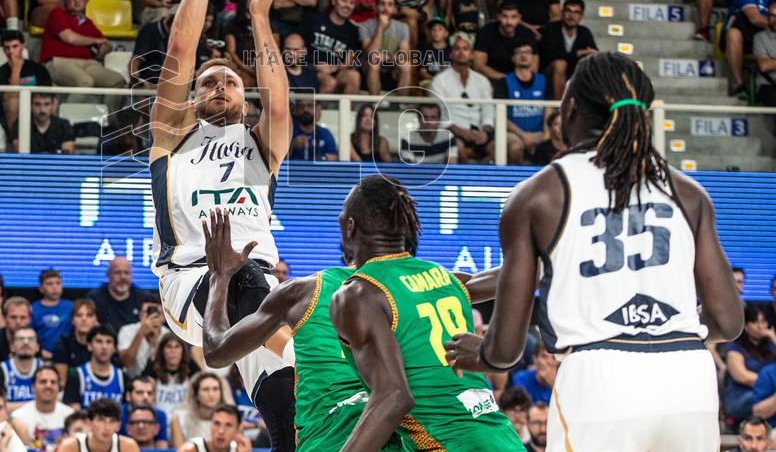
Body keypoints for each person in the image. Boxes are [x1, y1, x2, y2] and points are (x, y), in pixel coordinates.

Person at [444, 52, 744, 450]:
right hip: (689, 379)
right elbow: (727, 320)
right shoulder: (689, 193)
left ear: (570, 109)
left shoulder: (538, 195)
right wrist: (665, 329)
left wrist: (480, 353)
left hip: (600, 380)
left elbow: (505, 349)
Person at [149, 0, 294, 450]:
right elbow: (179, 52)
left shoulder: (261, 145)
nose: (219, 87)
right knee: (254, 291)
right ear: (192, 97)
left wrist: (261, 16)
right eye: (208, 82)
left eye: (231, 81)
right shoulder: (170, 136)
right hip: (190, 282)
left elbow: (278, 101)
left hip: (260, 286)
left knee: (289, 397)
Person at [316, 175, 522, 451]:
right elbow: (509, 276)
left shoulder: (357, 293)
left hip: (449, 444)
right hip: (502, 438)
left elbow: (394, 396)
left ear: (350, 226)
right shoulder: (444, 278)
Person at [38, 0, 124, 92]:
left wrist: (104, 47)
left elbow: (106, 44)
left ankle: (109, 110)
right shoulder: (57, 13)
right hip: (59, 62)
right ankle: (69, 110)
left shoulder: (88, 22)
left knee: (117, 81)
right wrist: (96, 41)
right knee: (85, 82)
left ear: (86, 0)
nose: (77, 0)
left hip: (88, 63)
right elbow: (70, 38)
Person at [429, 32, 495, 163]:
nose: (461, 52)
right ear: (451, 54)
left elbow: (488, 109)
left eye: (465, 49)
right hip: (454, 131)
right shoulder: (439, 80)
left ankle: (486, 178)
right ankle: (468, 178)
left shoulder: (482, 80)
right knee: (456, 147)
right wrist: (462, 132)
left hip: (480, 131)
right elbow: (439, 113)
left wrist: (485, 131)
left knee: (499, 148)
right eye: (457, 49)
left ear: (471, 54)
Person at [299, 0, 363, 94]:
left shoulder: (353, 30)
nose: (347, 5)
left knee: (354, 76)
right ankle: (316, 111)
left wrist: (333, 68)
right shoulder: (314, 19)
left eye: (351, 2)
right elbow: (296, 44)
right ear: (334, 1)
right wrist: (314, 66)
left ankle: (347, 111)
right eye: (344, 0)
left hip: (335, 71)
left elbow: (349, 61)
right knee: (329, 82)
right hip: (309, 68)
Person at [727, 0, 776, 96]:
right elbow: (754, 18)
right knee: (733, 34)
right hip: (745, 35)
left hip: (766, 37)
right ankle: (739, 84)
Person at [494, 41, 547, 164]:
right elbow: (500, 115)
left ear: (533, 57)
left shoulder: (543, 80)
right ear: (513, 58)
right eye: (519, 52)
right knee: (515, 148)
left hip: (539, 131)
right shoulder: (503, 82)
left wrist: (546, 133)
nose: (523, 56)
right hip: (513, 133)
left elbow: (549, 110)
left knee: (551, 145)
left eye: (527, 52)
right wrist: (523, 135)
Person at [539, 0, 598, 100]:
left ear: (581, 16)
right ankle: (559, 107)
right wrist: (577, 53)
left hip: (573, 72)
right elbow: (550, 55)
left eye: (576, 12)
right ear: (562, 13)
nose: (571, 16)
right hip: (548, 71)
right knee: (560, 64)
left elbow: (591, 52)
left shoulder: (584, 32)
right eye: (568, 11)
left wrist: (593, 53)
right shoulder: (551, 28)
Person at [725, 304, 776, 422]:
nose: (761, 327)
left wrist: (773, 337)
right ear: (746, 326)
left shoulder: (770, 345)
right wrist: (768, 383)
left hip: (766, 392)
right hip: (742, 396)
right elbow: (742, 377)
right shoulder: (735, 348)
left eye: (763, 322)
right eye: (755, 322)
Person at [0, 31, 52, 128]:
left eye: (15, 46)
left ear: (23, 46)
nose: (11, 51)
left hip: (37, 104)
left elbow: (47, 93)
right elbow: (9, 97)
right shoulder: (0, 72)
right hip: (12, 110)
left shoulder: (37, 68)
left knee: (52, 103)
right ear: (3, 50)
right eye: (7, 48)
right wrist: (16, 70)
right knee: (12, 103)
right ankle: (14, 138)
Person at [10, 365, 74, 452]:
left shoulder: (71, 416)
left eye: (53, 382)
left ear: (59, 387)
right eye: (43, 382)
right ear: (33, 387)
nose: (48, 386)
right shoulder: (18, 417)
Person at [64, 326, 124, 409]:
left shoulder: (122, 378)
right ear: (89, 346)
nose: (104, 347)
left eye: (109, 342)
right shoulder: (76, 376)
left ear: (114, 348)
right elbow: (74, 415)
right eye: (99, 341)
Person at [54, 398, 140, 452]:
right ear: (89, 423)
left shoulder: (128, 447)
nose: (107, 427)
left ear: (118, 425)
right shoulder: (70, 446)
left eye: (112, 421)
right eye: (101, 420)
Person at [0, 327, 41, 409]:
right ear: (12, 346)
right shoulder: (1, 370)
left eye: (31, 339)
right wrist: (35, 406)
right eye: (20, 339)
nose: (25, 342)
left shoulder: (45, 370)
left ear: (37, 347)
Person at [144, 332, 196, 416]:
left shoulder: (192, 368)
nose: (173, 351)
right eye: (169, 347)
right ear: (162, 351)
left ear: (183, 351)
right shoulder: (152, 369)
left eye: (177, 347)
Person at [0, 297, 34, 377]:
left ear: (29, 319)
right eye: (13, 317)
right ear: (5, 318)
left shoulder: (33, 338)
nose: (18, 322)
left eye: (23, 317)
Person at [116, 297, 167, 379]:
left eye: (157, 313)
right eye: (148, 312)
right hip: (132, 380)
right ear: (140, 315)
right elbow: (125, 363)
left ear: (164, 317)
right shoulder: (127, 331)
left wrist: (155, 342)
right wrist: (140, 333)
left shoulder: (167, 335)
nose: (152, 317)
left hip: (159, 382)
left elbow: (170, 366)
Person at [52, 299, 97, 385]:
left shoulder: (103, 343)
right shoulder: (63, 343)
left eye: (89, 315)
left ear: (95, 320)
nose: (84, 319)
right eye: (79, 315)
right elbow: (62, 382)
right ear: (72, 320)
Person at [30, 270, 73, 358]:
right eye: (49, 284)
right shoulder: (32, 309)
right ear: (41, 288)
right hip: (41, 356)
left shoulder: (71, 307)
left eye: (58, 283)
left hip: (66, 356)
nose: (55, 287)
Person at [176, 404, 250, 452]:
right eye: (217, 423)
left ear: (237, 429)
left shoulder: (239, 449)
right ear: (210, 424)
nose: (221, 431)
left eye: (228, 425)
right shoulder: (190, 449)